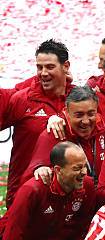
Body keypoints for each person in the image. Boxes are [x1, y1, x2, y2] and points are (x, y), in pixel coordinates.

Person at [1, 39, 74, 207]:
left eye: (49, 67)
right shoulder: (22, 98)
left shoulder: (78, 99)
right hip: (24, 194)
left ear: (66, 66)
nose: (43, 73)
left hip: (66, 198)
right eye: (39, 67)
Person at [26, 86, 105, 185]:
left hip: (96, 195)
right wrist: (41, 169)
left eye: (91, 114)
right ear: (67, 112)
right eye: (79, 115)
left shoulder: (102, 127)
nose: (86, 121)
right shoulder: (55, 133)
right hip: (67, 198)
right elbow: (33, 176)